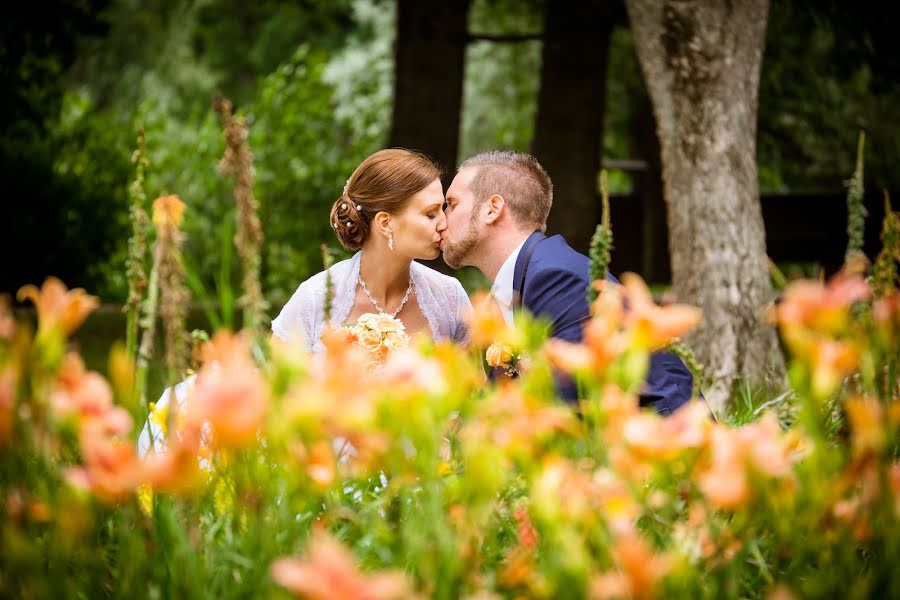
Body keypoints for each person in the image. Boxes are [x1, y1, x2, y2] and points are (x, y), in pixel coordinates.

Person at [441, 150, 695, 415]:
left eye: (452, 204)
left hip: (664, 440)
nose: (441, 217)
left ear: (492, 209)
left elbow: (569, 404)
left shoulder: (555, 277)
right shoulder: (526, 278)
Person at [271, 148, 471, 351]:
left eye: (442, 209)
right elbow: (275, 380)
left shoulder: (450, 298)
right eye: (430, 214)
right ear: (385, 222)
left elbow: (475, 382)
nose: (444, 223)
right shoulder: (315, 299)